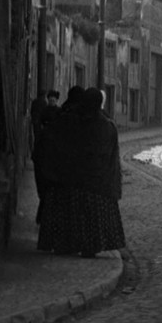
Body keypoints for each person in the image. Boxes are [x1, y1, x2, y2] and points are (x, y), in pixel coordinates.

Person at [35, 87, 127, 256]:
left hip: (69, 183)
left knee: (69, 219)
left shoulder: (68, 120)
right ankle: (89, 248)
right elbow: (111, 159)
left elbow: (49, 143)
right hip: (96, 186)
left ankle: (66, 245)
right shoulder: (105, 125)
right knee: (89, 221)